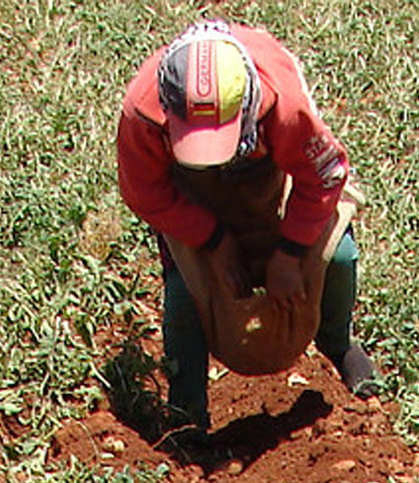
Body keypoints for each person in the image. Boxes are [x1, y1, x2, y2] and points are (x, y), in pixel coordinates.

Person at [117, 20, 379, 441]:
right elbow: (146, 194)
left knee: (340, 257)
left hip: (271, 189)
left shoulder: (283, 102)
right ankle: (188, 416)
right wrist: (214, 242)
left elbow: (324, 175)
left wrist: (291, 253)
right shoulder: (143, 114)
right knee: (184, 294)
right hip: (194, 204)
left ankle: (338, 343)